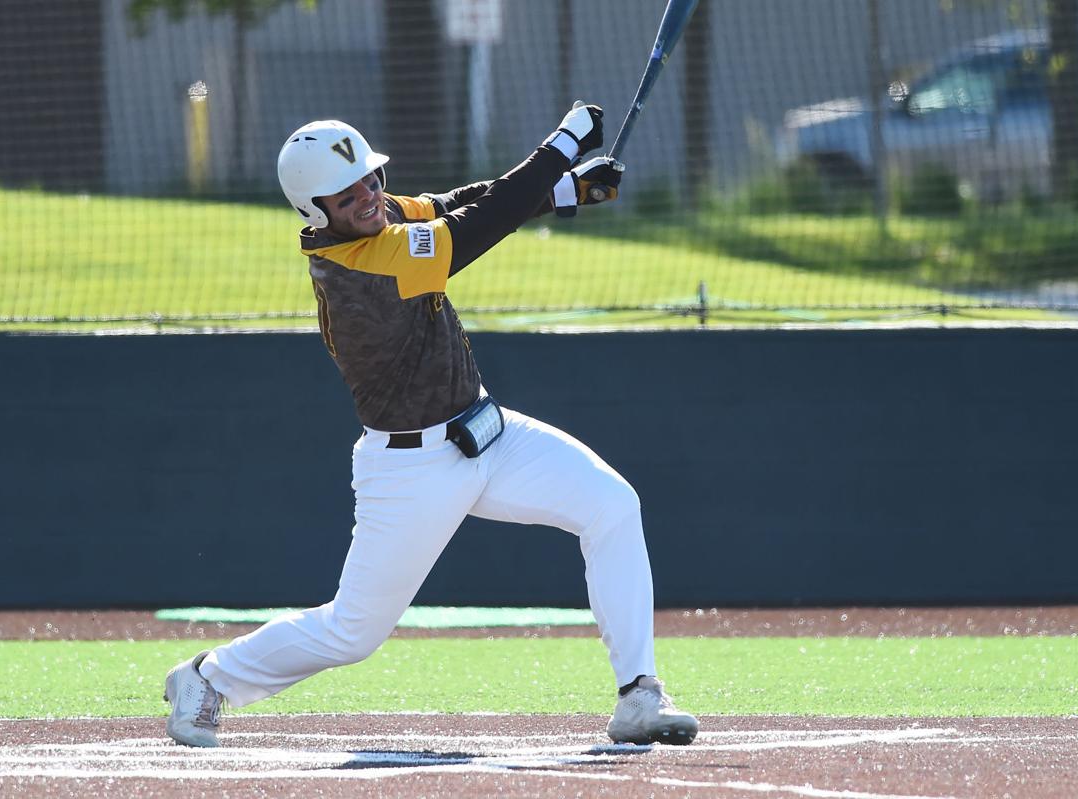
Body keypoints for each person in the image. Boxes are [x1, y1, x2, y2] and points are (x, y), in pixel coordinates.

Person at [163, 104, 698, 748]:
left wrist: (566, 190)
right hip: (411, 466)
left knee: (612, 504)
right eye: (347, 194)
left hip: (487, 433)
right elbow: (475, 228)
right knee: (353, 633)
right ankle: (208, 677)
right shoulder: (363, 263)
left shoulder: (381, 217)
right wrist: (559, 149)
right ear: (315, 210)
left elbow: (454, 204)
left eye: (369, 181)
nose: (368, 197)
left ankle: (638, 694)